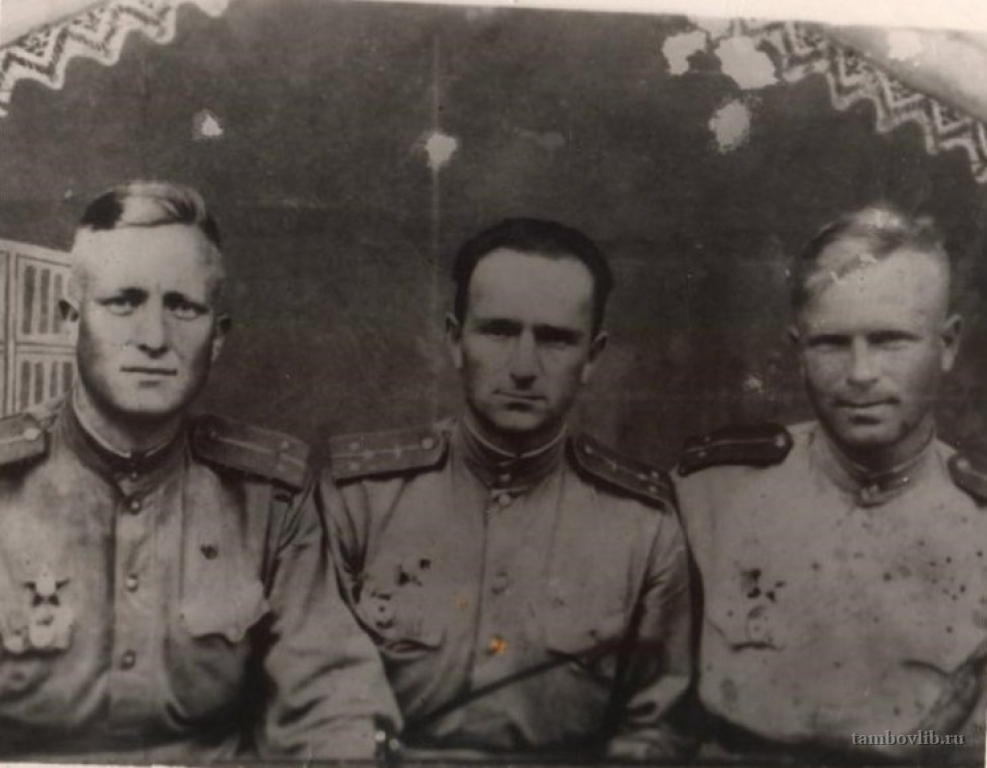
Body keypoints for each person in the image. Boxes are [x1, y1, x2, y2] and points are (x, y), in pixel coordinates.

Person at [0, 181, 399, 761]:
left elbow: (332, 698)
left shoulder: (269, 500)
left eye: (183, 307)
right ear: (70, 319)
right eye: (124, 302)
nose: (154, 339)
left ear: (217, 337)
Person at [324, 218, 692, 760]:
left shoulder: (646, 527)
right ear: (455, 340)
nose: (523, 367)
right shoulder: (359, 500)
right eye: (498, 331)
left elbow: (656, 729)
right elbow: (316, 703)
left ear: (592, 356)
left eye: (556, 338)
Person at [674, 203, 986, 762]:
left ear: (947, 345)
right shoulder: (707, 498)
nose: (861, 373)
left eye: (890, 340)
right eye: (832, 343)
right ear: (798, 351)